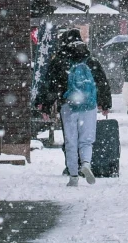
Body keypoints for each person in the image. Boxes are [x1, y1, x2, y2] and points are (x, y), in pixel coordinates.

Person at [41, 30, 112, 184]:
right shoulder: (90, 59)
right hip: (89, 105)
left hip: (68, 105)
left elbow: (50, 85)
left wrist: (45, 106)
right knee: (86, 140)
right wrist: (105, 103)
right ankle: (86, 163)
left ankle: (73, 175)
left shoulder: (60, 60)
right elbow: (102, 81)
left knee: (70, 141)